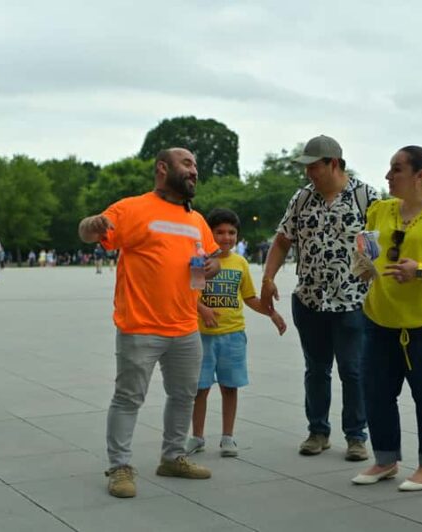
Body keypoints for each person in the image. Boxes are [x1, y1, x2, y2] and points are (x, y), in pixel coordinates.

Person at [78, 147, 220, 499]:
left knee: (183, 396)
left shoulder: (197, 220)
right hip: (140, 326)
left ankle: (173, 456)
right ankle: (120, 466)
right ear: (162, 168)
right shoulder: (132, 208)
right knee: (128, 398)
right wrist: (91, 225)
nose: (194, 171)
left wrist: (212, 267)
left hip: (185, 327)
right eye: (187, 163)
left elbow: (210, 261)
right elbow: (87, 231)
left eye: (195, 165)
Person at [351, 147, 422, 490]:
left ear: (421, 176)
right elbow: (366, 249)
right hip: (379, 317)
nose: (388, 176)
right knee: (375, 391)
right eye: (389, 169)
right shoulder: (381, 210)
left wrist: (420, 270)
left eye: (397, 169)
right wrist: (361, 265)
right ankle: (385, 459)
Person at [261, 135, 379, 460]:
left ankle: (356, 436)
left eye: (314, 166)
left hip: (352, 301)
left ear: (334, 163)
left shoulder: (365, 197)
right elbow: (283, 240)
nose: (309, 173)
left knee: (352, 370)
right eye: (307, 167)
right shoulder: (301, 199)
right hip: (310, 300)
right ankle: (318, 431)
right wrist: (268, 277)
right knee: (316, 369)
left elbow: (377, 251)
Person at [187, 208, 287, 458]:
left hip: (233, 336)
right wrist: (203, 309)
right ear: (208, 234)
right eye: (219, 232)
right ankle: (197, 437)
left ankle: (227, 437)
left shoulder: (240, 262)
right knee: (200, 388)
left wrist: (271, 313)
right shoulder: (200, 259)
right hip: (203, 336)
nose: (225, 237)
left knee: (230, 387)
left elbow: (249, 298)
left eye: (231, 232)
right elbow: (188, 296)